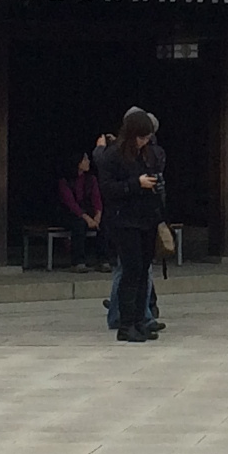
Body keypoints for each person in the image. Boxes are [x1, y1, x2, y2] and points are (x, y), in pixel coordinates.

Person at [97, 108, 168, 343]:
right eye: (141, 137)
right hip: (124, 221)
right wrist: (136, 184)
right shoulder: (113, 155)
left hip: (147, 218)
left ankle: (140, 321)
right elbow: (108, 189)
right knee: (131, 270)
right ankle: (125, 324)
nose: (144, 142)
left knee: (144, 272)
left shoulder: (147, 154)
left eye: (147, 138)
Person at [57, 145, 105, 268]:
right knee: (79, 224)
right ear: (77, 163)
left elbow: (96, 199)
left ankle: (102, 260)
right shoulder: (65, 181)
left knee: (105, 223)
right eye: (85, 159)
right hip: (70, 213)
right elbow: (71, 204)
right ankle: (78, 262)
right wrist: (87, 218)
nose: (88, 162)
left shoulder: (91, 179)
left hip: (88, 211)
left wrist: (98, 216)